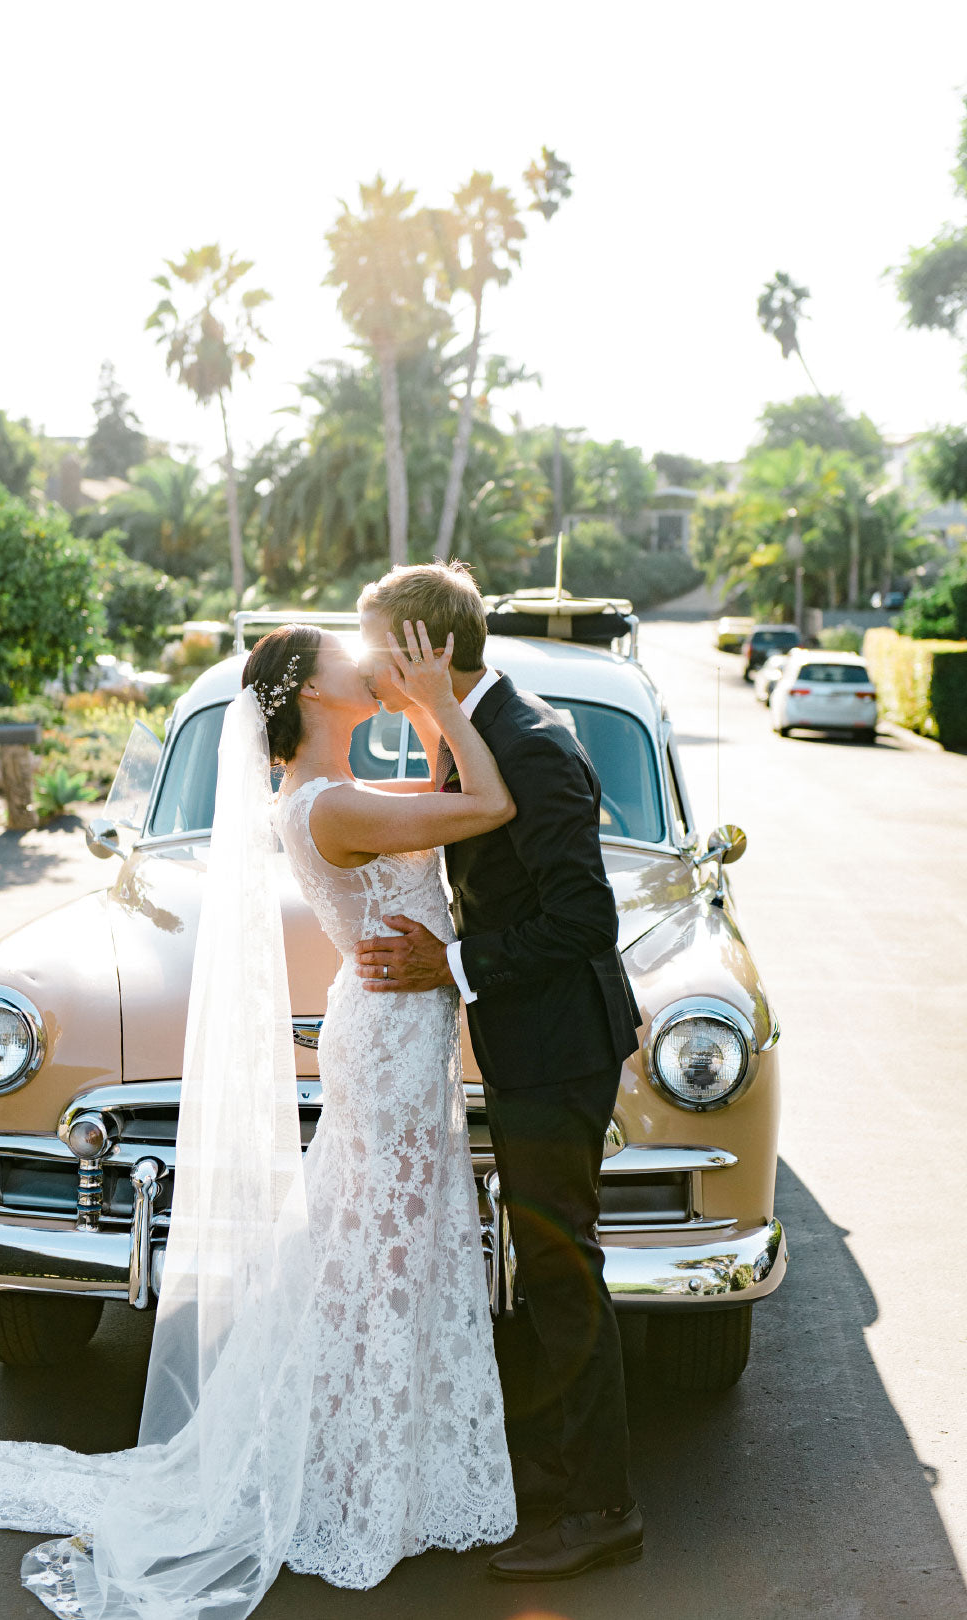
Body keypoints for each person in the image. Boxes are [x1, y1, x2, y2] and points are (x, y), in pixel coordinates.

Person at [0, 618, 517, 1617]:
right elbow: (485, 804)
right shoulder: (329, 804)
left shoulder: (339, 792)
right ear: (312, 693)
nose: (368, 663)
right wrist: (437, 702)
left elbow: (444, 796)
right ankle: (357, 1487)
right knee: (389, 1252)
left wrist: (428, 709)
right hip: (390, 1042)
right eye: (347, 658)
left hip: (396, 1032)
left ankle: (382, 1472)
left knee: (382, 1247)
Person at [353, 561, 645, 1581]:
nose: (365, 662)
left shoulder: (529, 743)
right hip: (533, 1044)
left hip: (561, 1050)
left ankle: (599, 1510)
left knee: (565, 1276)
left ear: (426, 649)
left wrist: (455, 965)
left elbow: (586, 919)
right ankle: (563, 1488)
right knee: (549, 1271)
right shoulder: (476, 729)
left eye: (376, 641)